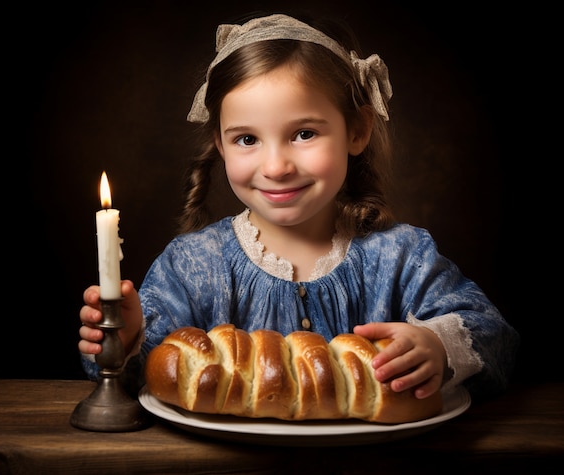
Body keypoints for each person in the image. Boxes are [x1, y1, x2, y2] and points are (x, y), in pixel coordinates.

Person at [78, 13, 519, 402]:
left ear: (357, 131)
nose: (276, 167)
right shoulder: (191, 266)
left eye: (304, 133)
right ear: (220, 143)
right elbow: (142, 377)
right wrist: (129, 336)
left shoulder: (402, 257)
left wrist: (437, 346)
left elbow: (494, 335)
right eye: (247, 139)